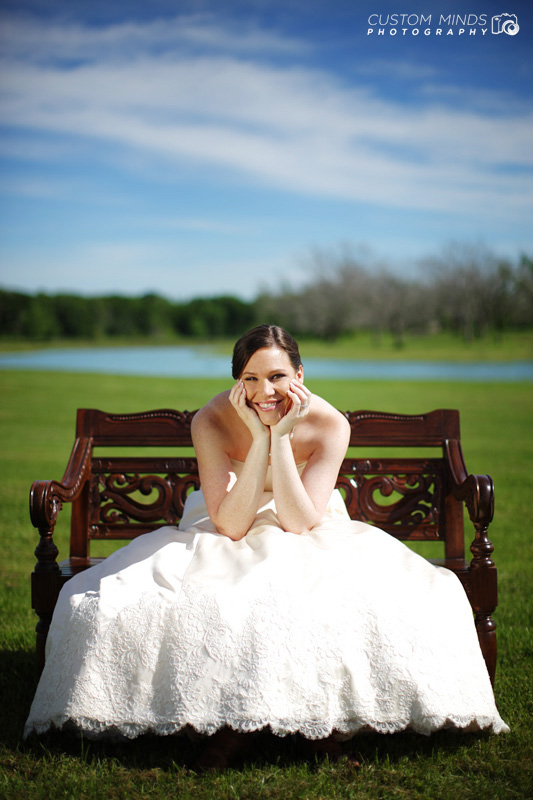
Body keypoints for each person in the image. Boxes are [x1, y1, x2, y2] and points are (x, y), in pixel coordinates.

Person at [24, 324, 508, 767]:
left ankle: (312, 725)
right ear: (237, 382)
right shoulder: (212, 419)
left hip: (307, 522)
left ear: (300, 374)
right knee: (215, 592)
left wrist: (279, 437)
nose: (265, 391)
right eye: (250, 379)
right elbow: (231, 525)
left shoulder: (330, 424)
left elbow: (299, 523)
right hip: (224, 520)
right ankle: (231, 722)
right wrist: (259, 436)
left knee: (320, 589)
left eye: (277, 376)